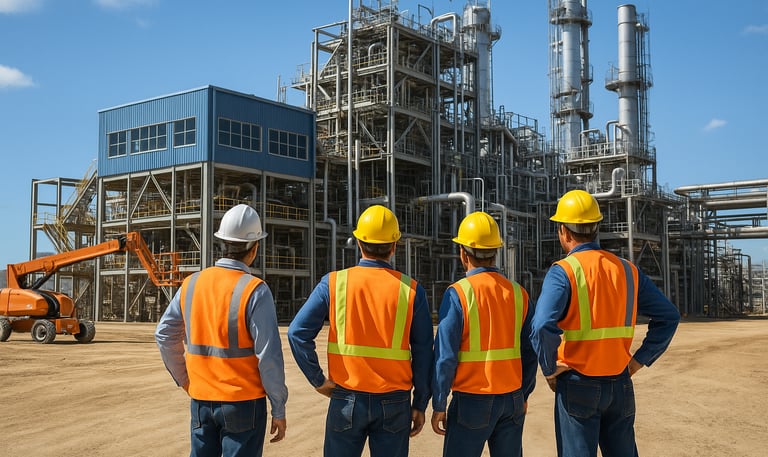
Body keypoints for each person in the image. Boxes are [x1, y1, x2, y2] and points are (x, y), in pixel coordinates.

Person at [530, 190, 681, 457]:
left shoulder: (564, 271)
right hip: (620, 383)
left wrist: (549, 366)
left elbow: (542, 325)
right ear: (597, 227)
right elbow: (669, 316)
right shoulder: (627, 270)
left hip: (578, 383)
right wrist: (638, 361)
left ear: (563, 232)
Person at [287, 204, 434, 457]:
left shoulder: (334, 283)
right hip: (394, 402)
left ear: (358, 242)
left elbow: (297, 333)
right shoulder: (411, 291)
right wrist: (420, 403)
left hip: (346, 398)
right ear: (394, 245)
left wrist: (318, 380)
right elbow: (423, 353)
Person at [155, 204, 288, 457]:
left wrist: (185, 381)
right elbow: (268, 356)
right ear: (255, 248)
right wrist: (278, 408)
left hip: (201, 401)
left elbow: (164, 333)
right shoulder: (255, 290)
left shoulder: (191, 284)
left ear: (221, 243)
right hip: (243, 404)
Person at [431, 211, 537, 457]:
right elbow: (530, 351)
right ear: (496, 252)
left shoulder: (458, 293)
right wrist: (524, 393)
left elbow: (445, 357)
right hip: (511, 399)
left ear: (462, 253)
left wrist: (439, 403)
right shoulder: (519, 294)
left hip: (472, 401)